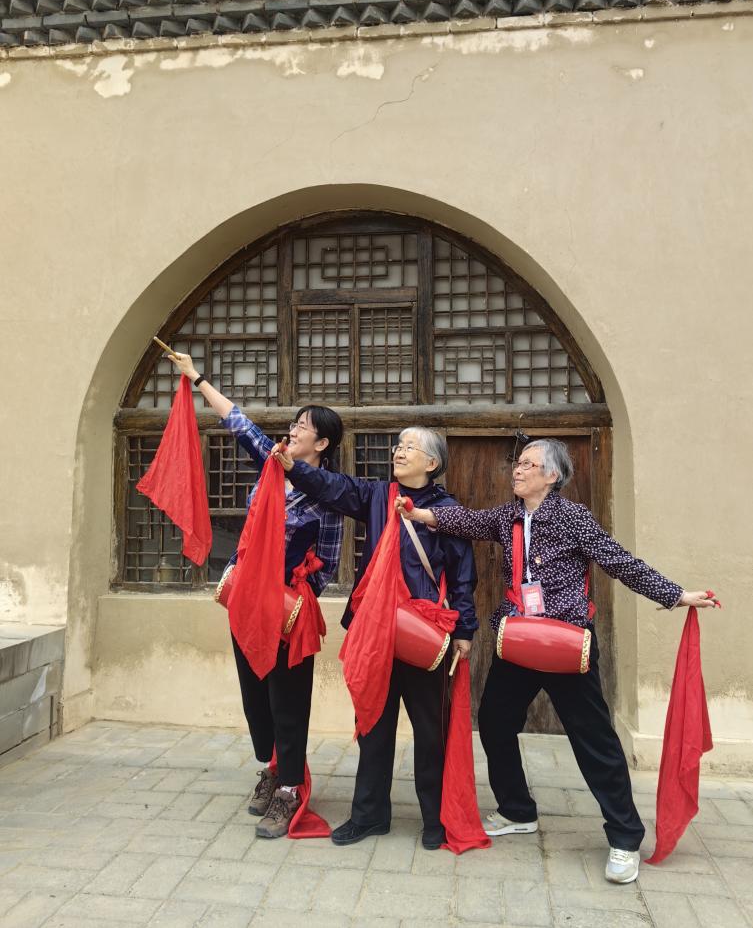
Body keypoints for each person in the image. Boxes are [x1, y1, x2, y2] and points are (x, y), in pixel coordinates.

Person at [396, 437, 717, 883]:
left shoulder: (572, 517)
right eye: (518, 463)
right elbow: (466, 520)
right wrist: (418, 514)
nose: (518, 469)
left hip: (566, 643)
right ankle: (517, 809)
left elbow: (619, 562)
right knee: (494, 722)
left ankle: (625, 837)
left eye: (529, 464)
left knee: (594, 741)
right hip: (518, 640)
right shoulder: (508, 515)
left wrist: (675, 595)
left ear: (552, 475)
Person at [272, 428, 478, 850]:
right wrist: (294, 467)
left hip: (424, 634)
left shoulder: (447, 512)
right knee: (372, 725)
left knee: (431, 731)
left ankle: (436, 820)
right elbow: (332, 485)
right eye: (399, 446)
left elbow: (462, 574)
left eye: (409, 448)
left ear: (432, 463)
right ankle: (369, 816)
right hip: (377, 632)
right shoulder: (377, 495)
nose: (399, 452)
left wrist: (464, 630)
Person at [169, 351, 343, 839]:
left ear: (322, 443)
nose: (294, 428)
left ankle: (289, 789)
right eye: (295, 422)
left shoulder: (327, 494)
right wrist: (196, 377)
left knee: (288, 699)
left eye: (303, 426)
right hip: (248, 603)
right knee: (255, 695)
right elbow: (238, 422)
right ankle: (272, 765)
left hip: (285, 613)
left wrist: (291, 596)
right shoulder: (273, 466)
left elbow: (328, 561)